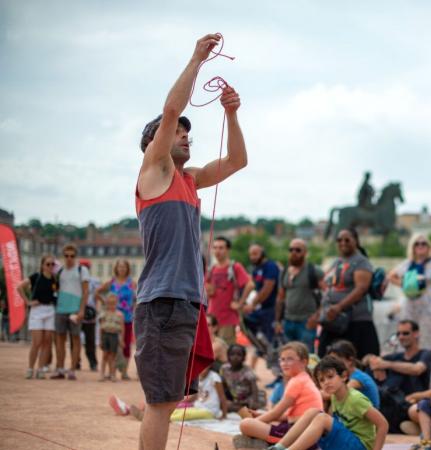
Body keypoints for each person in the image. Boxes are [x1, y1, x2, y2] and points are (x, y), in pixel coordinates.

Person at [134, 33, 247, 450]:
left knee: (168, 400)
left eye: (187, 133)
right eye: (178, 133)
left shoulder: (189, 179)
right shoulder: (155, 173)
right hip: (163, 302)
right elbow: (170, 109)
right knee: (160, 403)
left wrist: (232, 114)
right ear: (156, 144)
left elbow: (237, 161)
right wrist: (197, 59)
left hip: (183, 301)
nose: (185, 135)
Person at [267, 356, 389, 450]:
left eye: (330, 377)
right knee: (313, 412)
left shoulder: (355, 399)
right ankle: (279, 447)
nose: (326, 382)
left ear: (344, 376)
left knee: (321, 418)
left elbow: (383, 424)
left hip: (360, 445)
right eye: (322, 380)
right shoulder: (335, 397)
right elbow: (333, 424)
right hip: (346, 441)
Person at [237, 342, 323, 447]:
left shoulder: (297, 381)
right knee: (266, 422)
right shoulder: (303, 379)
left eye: (290, 359)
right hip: (301, 429)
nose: (284, 363)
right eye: (282, 359)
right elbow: (286, 415)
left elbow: (276, 413)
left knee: (245, 424)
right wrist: (262, 416)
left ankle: (271, 443)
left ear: (304, 362)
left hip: (297, 432)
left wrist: (254, 421)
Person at [318, 228, 380, 358]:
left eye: (347, 239)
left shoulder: (361, 261)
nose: (343, 243)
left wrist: (339, 307)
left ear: (356, 241)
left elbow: (361, 288)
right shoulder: (338, 261)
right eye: (339, 240)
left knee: (355, 360)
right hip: (334, 321)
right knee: (325, 358)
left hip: (355, 320)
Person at [365, 320, 431, 432]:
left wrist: (387, 364)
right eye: (398, 334)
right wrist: (377, 367)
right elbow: (370, 360)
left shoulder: (425, 354)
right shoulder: (395, 356)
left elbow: (417, 369)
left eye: (405, 333)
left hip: (415, 403)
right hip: (395, 406)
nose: (401, 337)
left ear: (416, 333)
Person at [275, 238, 325, 352]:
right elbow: (280, 298)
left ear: (305, 253)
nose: (294, 252)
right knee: (289, 357)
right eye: (291, 249)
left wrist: (317, 316)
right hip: (287, 322)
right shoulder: (284, 272)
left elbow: (328, 294)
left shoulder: (314, 271)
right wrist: (277, 321)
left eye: (298, 250)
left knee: (307, 358)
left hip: (307, 322)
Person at [205, 236, 254, 345]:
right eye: (215, 247)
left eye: (221, 248)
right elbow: (206, 288)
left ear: (228, 250)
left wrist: (240, 303)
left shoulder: (234, 267)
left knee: (225, 352)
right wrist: (208, 290)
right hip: (211, 318)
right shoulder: (211, 269)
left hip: (228, 319)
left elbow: (250, 285)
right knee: (210, 352)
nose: (217, 251)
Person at [51, 244, 89, 381]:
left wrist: (81, 310)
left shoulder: (81, 270)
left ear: (75, 256)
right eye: (66, 255)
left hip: (75, 310)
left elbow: (85, 291)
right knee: (59, 340)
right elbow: (56, 289)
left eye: (72, 256)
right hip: (61, 308)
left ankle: (72, 370)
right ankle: (60, 369)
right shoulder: (59, 271)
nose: (69, 258)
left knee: (75, 339)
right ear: (63, 256)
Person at [16, 254, 58, 379]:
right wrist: (28, 301)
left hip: (50, 309)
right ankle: (30, 368)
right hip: (37, 310)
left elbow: (56, 294)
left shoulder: (55, 280)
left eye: (52, 264)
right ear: (42, 265)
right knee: (37, 342)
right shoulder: (36, 277)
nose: (50, 266)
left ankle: (40, 369)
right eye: (48, 264)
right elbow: (19, 287)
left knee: (47, 343)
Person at [96, 259, 136, 380]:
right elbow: (97, 292)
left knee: (126, 345)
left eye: (124, 267)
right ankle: (110, 372)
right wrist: (105, 303)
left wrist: (134, 307)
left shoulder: (132, 283)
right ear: (116, 268)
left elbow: (138, 298)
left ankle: (124, 372)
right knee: (110, 346)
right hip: (112, 319)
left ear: (128, 269)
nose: (122, 269)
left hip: (127, 318)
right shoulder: (111, 282)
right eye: (120, 267)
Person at [244, 244, 280, 348]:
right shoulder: (256, 269)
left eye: (255, 254)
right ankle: (261, 347)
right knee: (246, 320)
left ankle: (270, 352)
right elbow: (254, 288)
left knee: (271, 339)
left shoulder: (270, 266)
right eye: (250, 254)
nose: (252, 257)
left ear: (262, 254)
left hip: (272, 308)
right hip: (262, 308)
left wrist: (252, 304)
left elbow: (266, 289)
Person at [327, 339, 380, 408]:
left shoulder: (358, 378)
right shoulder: (346, 377)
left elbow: (339, 394)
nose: (333, 365)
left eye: (336, 361)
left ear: (350, 360)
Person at [220, 344, 261, 412]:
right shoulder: (224, 369)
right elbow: (223, 385)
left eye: (239, 355)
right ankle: (240, 409)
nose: (235, 357)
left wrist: (255, 401)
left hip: (247, 400)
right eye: (232, 354)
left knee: (253, 406)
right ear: (228, 357)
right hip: (234, 399)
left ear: (244, 358)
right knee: (221, 404)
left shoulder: (247, 371)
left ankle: (242, 409)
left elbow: (254, 387)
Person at [80, 259, 100, 372]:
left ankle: (93, 363)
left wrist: (96, 309)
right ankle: (76, 362)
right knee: (75, 339)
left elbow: (96, 296)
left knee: (90, 340)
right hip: (77, 310)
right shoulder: (76, 280)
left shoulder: (94, 281)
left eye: (86, 267)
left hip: (90, 311)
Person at [99, 293, 125, 382]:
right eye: (109, 303)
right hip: (105, 335)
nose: (111, 305)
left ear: (116, 303)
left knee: (113, 356)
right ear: (106, 303)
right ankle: (102, 374)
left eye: (113, 303)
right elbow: (101, 328)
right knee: (105, 355)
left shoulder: (119, 314)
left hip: (114, 336)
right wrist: (100, 340)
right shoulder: (104, 314)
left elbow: (122, 328)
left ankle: (112, 374)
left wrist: (121, 340)